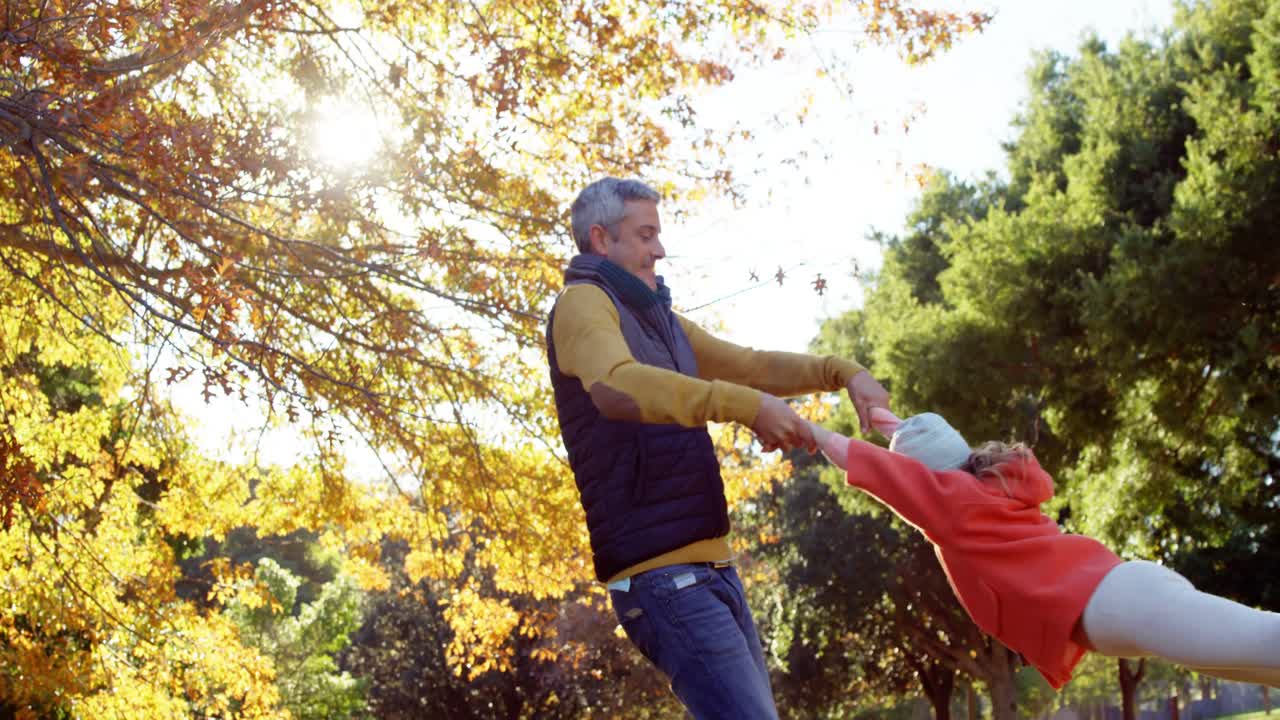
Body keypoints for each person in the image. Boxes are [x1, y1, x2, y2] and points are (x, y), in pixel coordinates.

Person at [545, 177, 891, 718]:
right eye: (645, 235)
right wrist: (748, 408)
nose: (660, 249)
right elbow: (619, 385)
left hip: (712, 568)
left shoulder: (660, 323)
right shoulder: (582, 303)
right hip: (662, 579)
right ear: (600, 239)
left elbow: (751, 365)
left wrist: (845, 373)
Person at [810, 410, 1280, 689]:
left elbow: (868, 464)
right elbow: (926, 448)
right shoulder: (982, 489)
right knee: (1264, 665)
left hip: (1115, 602)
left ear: (923, 479)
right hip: (1123, 594)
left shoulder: (951, 506)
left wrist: (798, 426)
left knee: (1266, 643)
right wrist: (894, 423)